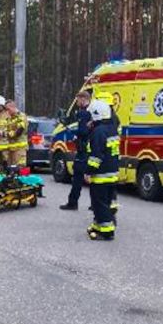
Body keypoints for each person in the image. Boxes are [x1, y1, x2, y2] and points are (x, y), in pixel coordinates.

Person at [84, 99, 120, 241]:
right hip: (112, 174)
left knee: (100, 204)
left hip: (101, 175)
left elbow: (96, 156)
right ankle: (98, 225)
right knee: (107, 202)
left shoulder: (98, 132)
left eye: (92, 116)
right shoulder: (111, 128)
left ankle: (106, 232)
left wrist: (88, 172)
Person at [60, 90, 93, 211]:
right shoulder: (91, 111)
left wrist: (72, 132)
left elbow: (84, 131)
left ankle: (73, 203)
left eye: (78, 100)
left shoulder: (84, 113)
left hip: (84, 149)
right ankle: (93, 203)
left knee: (79, 176)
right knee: (88, 177)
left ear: (83, 99)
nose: (77, 102)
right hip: (87, 148)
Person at [3, 99, 29, 170]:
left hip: (20, 149)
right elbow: (5, 129)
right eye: (6, 109)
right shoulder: (9, 118)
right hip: (10, 149)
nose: (7, 111)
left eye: (8, 109)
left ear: (13, 107)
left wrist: (9, 134)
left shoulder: (21, 116)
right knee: (10, 170)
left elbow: (19, 131)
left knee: (20, 169)